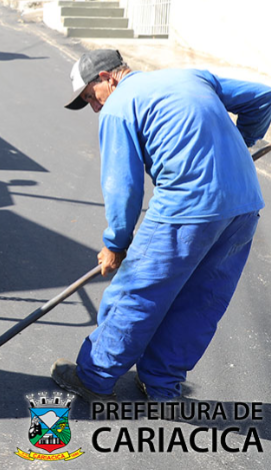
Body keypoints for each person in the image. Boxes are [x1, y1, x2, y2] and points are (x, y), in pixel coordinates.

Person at [51, 48, 271, 402]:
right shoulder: (191, 76)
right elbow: (263, 97)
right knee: (201, 299)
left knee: (137, 294)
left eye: (92, 97)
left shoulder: (119, 107)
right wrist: (243, 141)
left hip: (186, 209)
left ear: (107, 78)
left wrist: (116, 245)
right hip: (243, 206)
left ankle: (94, 377)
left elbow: (123, 187)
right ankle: (162, 385)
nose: (95, 107)